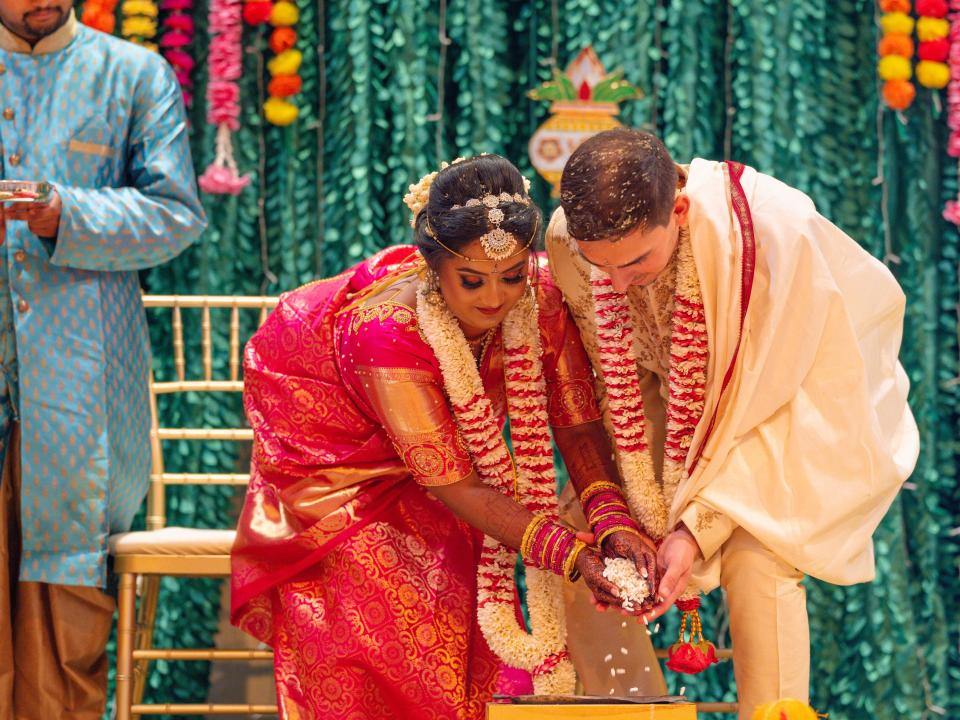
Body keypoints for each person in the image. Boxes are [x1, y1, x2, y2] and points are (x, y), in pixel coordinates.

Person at [231, 154, 664, 719]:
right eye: (472, 280)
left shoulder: (537, 296)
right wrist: (574, 554)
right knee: (382, 625)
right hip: (342, 484)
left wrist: (610, 522)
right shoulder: (386, 332)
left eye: (511, 276)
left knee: (477, 615)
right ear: (433, 270)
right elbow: (457, 487)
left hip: (451, 472)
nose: (495, 297)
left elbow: (576, 424)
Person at [545, 128, 919, 719]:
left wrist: (695, 527)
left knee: (757, 557)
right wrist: (623, 507)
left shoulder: (771, 238)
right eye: (602, 266)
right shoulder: (569, 245)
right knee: (580, 543)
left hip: (794, 409)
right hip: (662, 406)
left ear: (680, 209)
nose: (615, 282)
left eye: (637, 260)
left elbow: (777, 398)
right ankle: (631, 710)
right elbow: (617, 375)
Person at [0, 2, 206, 717]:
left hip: (76, 386)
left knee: (66, 604)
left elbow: (177, 215)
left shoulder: (132, 73)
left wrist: (68, 214)